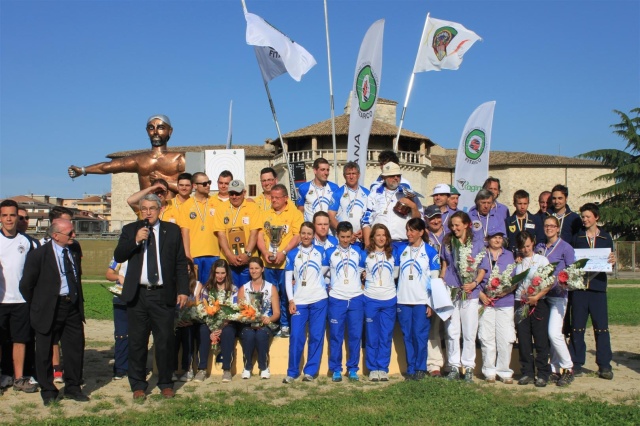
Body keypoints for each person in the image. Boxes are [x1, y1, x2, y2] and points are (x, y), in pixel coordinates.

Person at [113, 194, 189, 400]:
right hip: (137, 294)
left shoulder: (172, 231)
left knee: (165, 341)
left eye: (151, 208)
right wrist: (136, 240)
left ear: (160, 209)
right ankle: (138, 384)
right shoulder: (130, 230)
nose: (147, 212)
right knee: (137, 342)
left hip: (162, 294)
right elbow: (119, 255)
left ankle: (165, 382)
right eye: (143, 209)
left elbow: (180, 262)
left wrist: (183, 290)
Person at [19, 219, 88, 405]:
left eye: (73, 232)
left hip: (71, 306)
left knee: (74, 349)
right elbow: (26, 285)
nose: (74, 236)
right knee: (44, 351)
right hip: (49, 308)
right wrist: (39, 304)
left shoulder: (73, 250)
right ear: (55, 236)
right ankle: (48, 390)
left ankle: (73, 387)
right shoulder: (38, 255)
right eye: (70, 233)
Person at [67, 114, 185, 197]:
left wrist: (164, 181)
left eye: (160, 128)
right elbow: (109, 166)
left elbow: (193, 187)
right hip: (146, 211)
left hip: (172, 211)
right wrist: (82, 170)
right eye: (151, 128)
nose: (155, 132)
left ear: (170, 131)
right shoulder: (139, 159)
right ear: (146, 131)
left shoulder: (181, 158)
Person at [570, 203, 615, 380]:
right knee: (577, 327)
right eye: (583, 216)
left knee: (601, 328)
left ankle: (604, 365)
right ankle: (576, 362)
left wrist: (613, 260)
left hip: (598, 288)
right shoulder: (577, 237)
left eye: (588, 216)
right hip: (580, 288)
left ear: (596, 217)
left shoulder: (605, 238)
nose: (585, 219)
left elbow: (610, 260)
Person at [441, 211, 487, 382]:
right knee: (452, 330)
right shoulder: (447, 242)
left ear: (467, 224)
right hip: (452, 290)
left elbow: (482, 267)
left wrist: (474, 283)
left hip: (471, 291)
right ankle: (453, 365)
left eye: (457, 225)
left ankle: (468, 366)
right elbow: (445, 265)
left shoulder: (477, 243)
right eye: (452, 225)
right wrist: (443, 283)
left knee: (469, 330)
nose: (454, 228)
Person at [282, 222, 329, 383]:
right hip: (299, 301)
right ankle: (292, 371)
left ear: (313, 234)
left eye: (309, 233)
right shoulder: (292, 254)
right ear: (300, 234)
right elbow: (288, 279)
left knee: (316, 336)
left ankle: (310, 371)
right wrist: (291, 300)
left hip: (319, 299)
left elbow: (325, 270)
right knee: (296, 336)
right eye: (303, 233)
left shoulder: (321, 252)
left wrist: (315, 282)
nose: (306, 236)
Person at [0, 200, 38, 393]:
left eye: (12, 215)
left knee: (20, 340)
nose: (9, 219)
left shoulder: (28, 242)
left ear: (17, 217)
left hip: (21, 301)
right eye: (5, 215)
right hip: (1, 300)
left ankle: (18, 378)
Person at [256, 184, 303, 338]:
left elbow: (297, 236)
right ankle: (271, 323)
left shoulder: (295, 214)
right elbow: (259, 235)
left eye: (277, 198)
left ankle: (285, 324)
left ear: (285, 198)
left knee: (284, 294)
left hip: (285, 264)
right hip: (268, 263)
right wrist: (264, 252)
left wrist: (283, 252)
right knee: (269, 294)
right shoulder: (264, 214)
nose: (274, 200)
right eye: (272, 197)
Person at [397, 219, 440, 381]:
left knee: (419, 335)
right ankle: (411, 368)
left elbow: (435, 280)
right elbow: (394, 274)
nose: (409, 233)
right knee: (407, 335)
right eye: (407, 230)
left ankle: (421, 367)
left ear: (421, 232)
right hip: (403, 300)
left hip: (421, 301)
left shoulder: (430, 252)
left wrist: (431, 302)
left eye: (413, 230)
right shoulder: (401, 250)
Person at [324, 222, 367, 382]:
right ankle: (336, 369)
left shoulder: (358, 252)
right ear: (337, 236)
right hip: (337, 299)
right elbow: (321, 273)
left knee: (355, 336)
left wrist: (361, 287)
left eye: (348, 237)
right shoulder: (329, 252)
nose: (345, 240)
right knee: (336, 335)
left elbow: (363, 273)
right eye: (342, 237)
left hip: (356, 298)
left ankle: (353, 368)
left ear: (352, 236)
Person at [537, 215, 575, 387]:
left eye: (552, 226)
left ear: (558, 228)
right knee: (547, 335)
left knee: (555, 333)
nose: (549, 228)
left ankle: (568, 368)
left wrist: (563, 281)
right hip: (541, 296)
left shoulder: (565, 247)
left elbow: (572, 271)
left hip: (558, 296)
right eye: (546, 225)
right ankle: (554, 368)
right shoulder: (540, 247)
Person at [478, 230, 516, 384]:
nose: (498, 240)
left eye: (500, 238)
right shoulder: (481, 254)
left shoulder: (508, 255)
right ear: (488, 239)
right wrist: (482, 295)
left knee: (505, 337)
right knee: (487, 337)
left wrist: (504, 292)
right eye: (495, 237)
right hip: (485, 301)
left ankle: (504, 371)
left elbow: (514, 279)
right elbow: (474, 277)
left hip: (505, 301)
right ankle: (489, 371)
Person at [514, 230, 551, 387]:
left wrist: (537, 296)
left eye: (528, 246)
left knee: (540, 338)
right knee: (523, 339)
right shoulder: (518, 263)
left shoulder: (542, 260)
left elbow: (549, 282)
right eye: (522, 247)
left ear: (533, 243)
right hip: (520, 302)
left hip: (538, 302)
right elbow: (516, 283)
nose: (526, 249)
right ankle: (527, 372)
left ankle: (542, 373)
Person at [363, 224, 399, 382]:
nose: (381, 238)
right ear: (372, 237)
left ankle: (383, 368)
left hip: (389, 299)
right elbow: (358, 274)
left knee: (385, 336)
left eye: (384, 235)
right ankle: (372, 368)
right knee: (372, 336)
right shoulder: (365, 254)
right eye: (378, 235)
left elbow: (396, 274)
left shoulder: (393, 254)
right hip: (370, 299)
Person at [237, 258, 280, 379]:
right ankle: (247, 367)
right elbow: (239, 311)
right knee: (249, 335)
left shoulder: (271, 288)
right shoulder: (243, 289)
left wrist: (269, 319)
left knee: (261, 335)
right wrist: (247, 317)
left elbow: (277, 313)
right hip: (247, 323)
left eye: (256, 268)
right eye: (251, 268)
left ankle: (264, 367)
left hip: (264, 323)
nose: (254, 271)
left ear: (262, 269)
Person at [196, 259, 238, 383]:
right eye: (217, 273)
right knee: (203, 331)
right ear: (213, 273)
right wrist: (211, 328)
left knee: (228, 332)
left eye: (222, 273)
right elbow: (202, 309)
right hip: (209, 322)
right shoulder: (206, 289)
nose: (220, 276)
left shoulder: (233, 289)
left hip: (227, 323)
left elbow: (234, 311)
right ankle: (202, 369)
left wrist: (221, 326)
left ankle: (227, 369)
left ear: (227, 274)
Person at [361, 162, 422, 248]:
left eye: (398, 175)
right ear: (384, 177)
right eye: (392, 176)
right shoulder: (373, 195)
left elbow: (419, 221)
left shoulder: (409, 194)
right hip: (380, 245)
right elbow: (366, 222)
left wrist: (413, 206)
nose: (396, 178)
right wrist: (368, 246)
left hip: (404, 244)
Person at [213, 179, 261, 286]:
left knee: (247, 295)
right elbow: (221, 234)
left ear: (244, 192)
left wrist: (247, 254)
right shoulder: (221, 208)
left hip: (249, 259)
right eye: (231, 193)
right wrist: (229, 255)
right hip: (228, 260)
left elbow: (254, 233)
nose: (234, 196)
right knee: (230, 295)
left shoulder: (253, 207)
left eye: (237, 193)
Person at [179, 172, 222, 284]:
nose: (208, 185)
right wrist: (187, 254)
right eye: (204, 183)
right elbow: (185, 232)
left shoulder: (217, 203)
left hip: (214, 253)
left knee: (211, 288)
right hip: (195, 254)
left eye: (209, 182)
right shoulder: (186, 206)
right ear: (194, 186)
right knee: (195, 288)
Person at [424, 205, 446, 377]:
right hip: (432, 284)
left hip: (450, 283)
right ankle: (434, 365)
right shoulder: (424, 237)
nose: (436, 221)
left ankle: (455, 363)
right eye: (432, 218)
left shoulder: (450, 235)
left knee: (453, 327)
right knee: (434, 326)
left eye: (438, 217)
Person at [328, 161, 370, 241]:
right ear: (344, 176)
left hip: (361, 239)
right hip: (344, 240)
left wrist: (365, 231)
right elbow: (330, 216)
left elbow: (371, 216)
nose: (351, 177)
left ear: (359, 175)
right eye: (348, 174)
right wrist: (345, 232)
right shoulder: (338, 193)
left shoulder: (367, 193)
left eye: (354, 173)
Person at [105, 259, 129, 380]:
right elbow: (109, 274)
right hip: (121, 296)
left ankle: (135, 365)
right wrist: (118, 277)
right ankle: (121, 368)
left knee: (138, 334)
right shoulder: (120, 255)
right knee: (121, 334)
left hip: (140, 297)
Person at [296, 158, 340, 223]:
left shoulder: (334, 188)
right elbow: (300, 212)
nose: (326, 173)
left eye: (327, 170)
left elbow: (337, 211)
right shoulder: (304, 188)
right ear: (315, 171)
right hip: (311, 231)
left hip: (330, 231)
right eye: (322, 170)